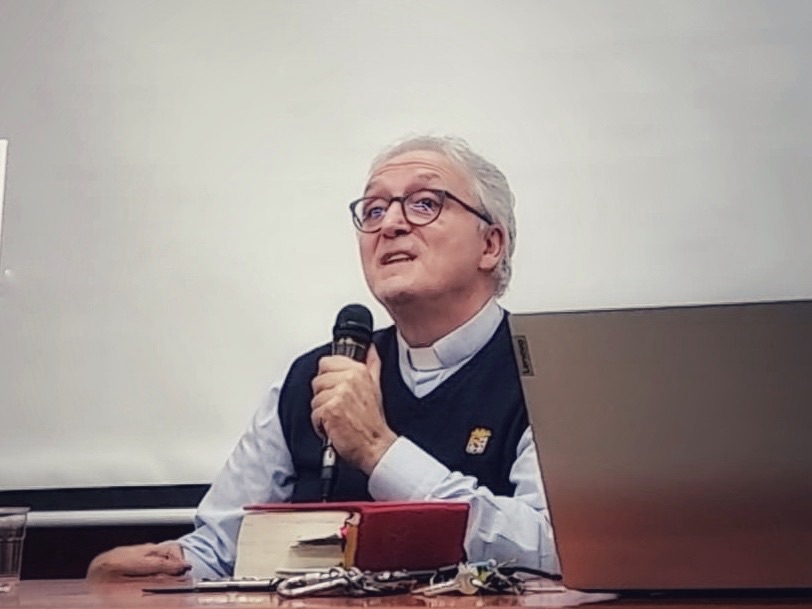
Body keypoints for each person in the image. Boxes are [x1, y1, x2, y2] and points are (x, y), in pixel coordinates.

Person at [87, 135, 560, 580]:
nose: (390, 225)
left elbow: (557, 547)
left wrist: (378, 451)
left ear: (490, 245)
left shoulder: (553, 370)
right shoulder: (313, 377)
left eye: (424, 203)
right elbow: (221, 549)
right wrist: (167, 566)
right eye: (374, 210)